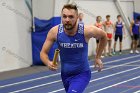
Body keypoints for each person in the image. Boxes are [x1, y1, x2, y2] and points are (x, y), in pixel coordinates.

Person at [40, 4, 107, 93]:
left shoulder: (87, 31)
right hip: (65, 75)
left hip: (82, 74)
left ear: (77, 18)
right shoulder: (54, 32)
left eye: (71, 17)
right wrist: (48, 63)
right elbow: (43, 53)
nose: (67, 20)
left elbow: (104, 36)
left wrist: (98, 57)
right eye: (64, 16)